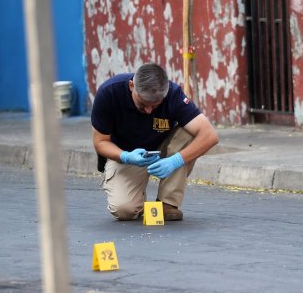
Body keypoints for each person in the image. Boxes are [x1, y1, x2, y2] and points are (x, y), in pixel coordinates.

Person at [91, 63, 219, 221]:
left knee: (190, 132)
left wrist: (175, 161)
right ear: (132, 86)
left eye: (155, 105)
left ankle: (167, 203)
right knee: (124, 210)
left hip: (162, 151)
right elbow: (100, 142)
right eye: (144, 104)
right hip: (126, 154)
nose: (149, 110)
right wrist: (126, 156)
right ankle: (137, 200)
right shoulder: (109, 93)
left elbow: (210, 135)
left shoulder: (173, 94)